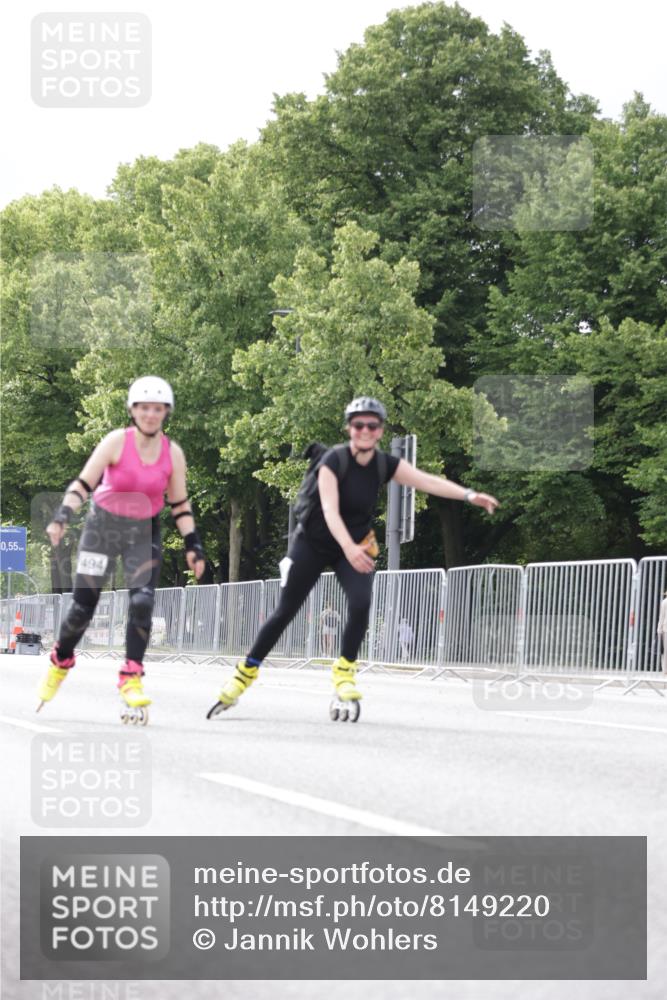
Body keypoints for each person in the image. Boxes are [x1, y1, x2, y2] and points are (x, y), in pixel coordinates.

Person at [208, 396, 499, 717]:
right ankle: (243, 675)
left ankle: (344, 673)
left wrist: (470, 495)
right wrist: (348, 548)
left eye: (372, 425)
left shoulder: (383, 464)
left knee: (361, 603)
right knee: (285, 611)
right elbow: (331, 510)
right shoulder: (334, 460)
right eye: (358, 424)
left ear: (380, 431)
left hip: (357, 542)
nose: (365, 430)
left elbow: (427, 481)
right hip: (314, 541)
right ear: (349, 428)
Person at [38, 376, 206, 719]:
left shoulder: (172, 453)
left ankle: (131, 675)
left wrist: (194, 546)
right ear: (133, 410)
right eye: (144, 408)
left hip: (143, 532)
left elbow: (180, 505)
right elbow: (83, 483)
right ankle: (60, 659)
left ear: (166, 412)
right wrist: (62, 516)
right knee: (84, 606)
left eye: (157, 409)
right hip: (102, 528)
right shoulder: (116, 441)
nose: (150, 414)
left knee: (143, 600)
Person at [657, 590, 667, 673]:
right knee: (665, 649)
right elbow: (662, 616)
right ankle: (665, 669)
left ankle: (665, 669)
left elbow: (662, 616)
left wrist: (659, 629)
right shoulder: (664, 602)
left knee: (665, 649)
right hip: (665, 628)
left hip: (665, 627)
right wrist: (659, 628)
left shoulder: (664, 602)